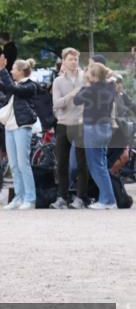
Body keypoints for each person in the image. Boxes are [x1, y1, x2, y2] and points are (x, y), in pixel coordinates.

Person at [0, 50, 38, 209]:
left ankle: (29, 198)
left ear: (22, 71)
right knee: (14, 165)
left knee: (23, 164)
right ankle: (18, 197)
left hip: (22, 126)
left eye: (13, 69)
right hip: (9, 127)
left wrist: (2, 70)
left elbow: (12, 88)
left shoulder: (30, 85)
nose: (11, 71)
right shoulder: (14, 85)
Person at [73, 62, 118, 209]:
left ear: (93, 76)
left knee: (96, 166)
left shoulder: (90, 89)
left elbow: (76, 100)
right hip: (106, 128)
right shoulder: (110, 86)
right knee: (102, 165)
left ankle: (108, 200)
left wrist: (85, 85)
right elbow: (111, 78)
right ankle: (107, 198)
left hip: (93, 128)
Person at [51, 48, 89, 209]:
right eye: (70, 59)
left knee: (82, 163)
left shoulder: (85, 78)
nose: (73, 62)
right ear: (64, 62)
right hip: (63, 124)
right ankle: (61, 197)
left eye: (75, 59)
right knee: (62, 162)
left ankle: (81, 197)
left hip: (80, 123)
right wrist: (72, 95)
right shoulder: (58, 81)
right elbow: (57, 104)